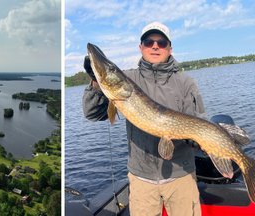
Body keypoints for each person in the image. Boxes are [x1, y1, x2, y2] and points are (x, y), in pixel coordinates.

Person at [82, 21, 206, 216]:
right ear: (141, 47)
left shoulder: (185, 83)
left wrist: (196, 140)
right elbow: (92, 113)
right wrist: (96, 84)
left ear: (170, 48)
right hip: (142, 179)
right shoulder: (128, 80)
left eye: (161, 42)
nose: (155, 46)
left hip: (181, 176)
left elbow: (198, 120)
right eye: (149, 42)